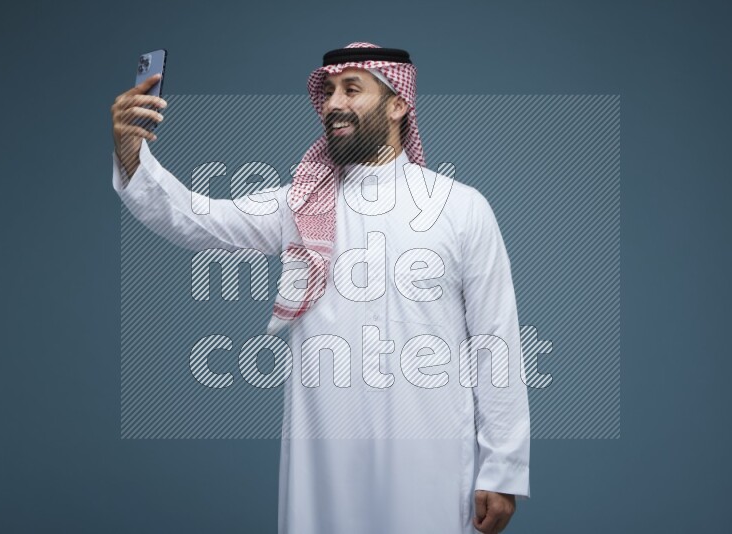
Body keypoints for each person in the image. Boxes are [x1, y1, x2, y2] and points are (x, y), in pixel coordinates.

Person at [110, 42, 530, 534]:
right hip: (325, 452)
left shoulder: (461, 208)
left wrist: (502, 469)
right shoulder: (300, 205)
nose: (333, 103)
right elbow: (196, 221)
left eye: (352, 89)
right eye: (328, 91)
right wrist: (131, 150)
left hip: (432, 451)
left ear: (398, 104)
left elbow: (495, 340)